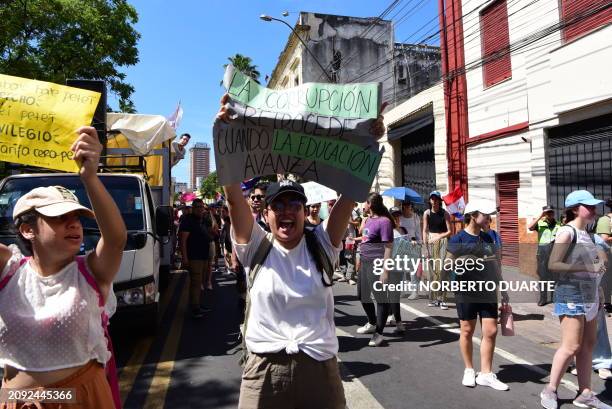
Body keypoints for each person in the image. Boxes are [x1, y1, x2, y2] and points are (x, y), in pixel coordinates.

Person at [0, 127, 127, 408]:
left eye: (77, 217)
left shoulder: (90, 272)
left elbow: (116, 239)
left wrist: (90, 177)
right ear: (27, 230)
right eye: (59, 218)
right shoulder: (8, 271)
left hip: (82, 401)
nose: (74, 224)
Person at [540, 190, 609, 409]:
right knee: (571, 347)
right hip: (571, 295)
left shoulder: (589, 234)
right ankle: (549, 390)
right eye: (588, 206)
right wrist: (587, 266)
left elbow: (598, 264)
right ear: (574, 209)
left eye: (594, 206)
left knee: (588, 346)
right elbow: (553, 264)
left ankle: (585, 393)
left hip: (591, 296)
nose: (594, 210)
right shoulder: (567, 233)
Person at [446, 200, 509, 392]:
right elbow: (448, 265)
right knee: (467, 330)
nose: (489, 218)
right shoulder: (457, 240)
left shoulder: (489, 238)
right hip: (466, 290)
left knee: (490, 331)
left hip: (487, 289)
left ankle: (486, 374)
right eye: (486, 214)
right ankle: (468, 369)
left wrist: (503, 289)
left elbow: (495, 265)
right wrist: (466, 260)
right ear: (473, 215)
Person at [356, 193, 396, 347]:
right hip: (365, 263)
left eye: (364, 203)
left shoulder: (384, 222)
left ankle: (378, 333)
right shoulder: (368, 220)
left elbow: (388, 247)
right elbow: (365, 240)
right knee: (362, 295)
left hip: (377, 264)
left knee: (380, 298)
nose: (362, 206)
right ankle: (372, 322)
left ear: (370, 204)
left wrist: (385, 271)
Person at [179, 198, 212, 318]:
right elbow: (183, 240)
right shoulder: (188, 221)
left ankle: (198, 304)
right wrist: (185, 258)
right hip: (194, 257)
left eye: (201, 207)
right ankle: (195, 308)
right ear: (193, 208)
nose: (199, 209)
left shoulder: (202, 220)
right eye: (197, 207)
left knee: (200, 282)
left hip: (203, 256)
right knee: (196, 283)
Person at [423, 191, 452, 309]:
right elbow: (425, 230)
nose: (434, 201)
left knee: (442, 271)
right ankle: (433, 298)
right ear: (430, 200)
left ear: (440, 201)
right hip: (430, 241)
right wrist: (425, 247)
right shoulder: (427, 213)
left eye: (436, 199)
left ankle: (442, 299)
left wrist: (439, 236)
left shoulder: (445, 213)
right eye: (432, 199)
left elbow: (450, 231)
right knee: (432, 272)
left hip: (443, 241)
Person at [529, 205, 561, 306]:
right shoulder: (540, 223)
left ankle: (553, 297)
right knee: (543, 277)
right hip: (542, 253)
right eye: (547, 212)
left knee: (554, 276)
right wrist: (540, 216)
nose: (549, 214)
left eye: (551, 212)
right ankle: (543, 299)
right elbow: (530, 227)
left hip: (554, 252)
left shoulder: (558, 224)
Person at [398, 201, 422, 299]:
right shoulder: (399, 217)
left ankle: (414, 292)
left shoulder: (415, 217)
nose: (407, 207)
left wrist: (419, 243)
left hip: (413, 244)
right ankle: (402, 291)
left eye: (408, 205)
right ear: (402, 206)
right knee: (401, 269)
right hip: (401, 244)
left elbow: (418, 232)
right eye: (405, 205)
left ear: (411, 206)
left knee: (413, 269)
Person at [596, 199, 612, 310]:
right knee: (606, 280)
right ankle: (606, 303)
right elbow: (604, 238)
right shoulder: (605, 220)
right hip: (608, 255)